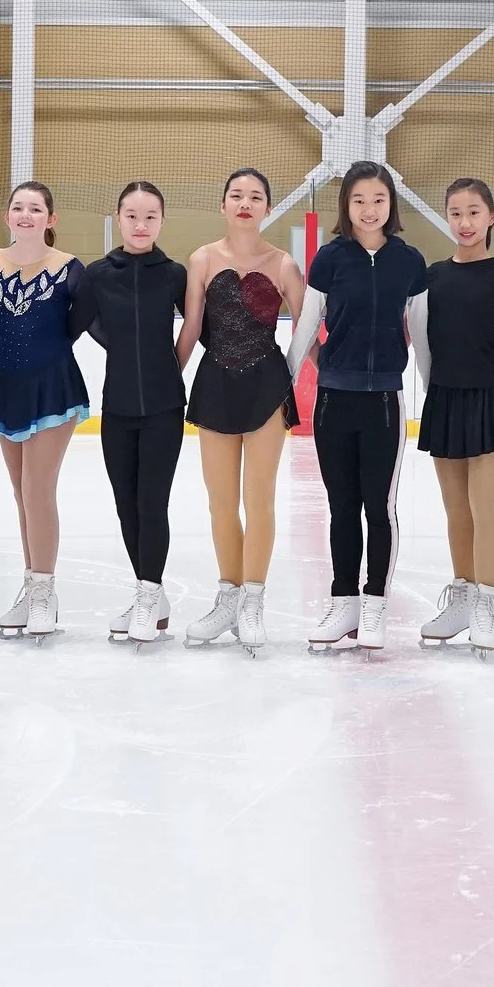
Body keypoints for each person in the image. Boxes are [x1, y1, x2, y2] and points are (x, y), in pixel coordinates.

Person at [290, 160, 427, 651]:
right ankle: (343, 599)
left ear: (391, 206)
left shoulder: (409, 262)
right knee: (342, 506)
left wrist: (428, 394)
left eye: (378, 200)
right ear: (345, 206)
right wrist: (287, 384)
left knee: (379, 507)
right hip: (333, 401)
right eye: (358, 201)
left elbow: (423, 335)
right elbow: (306, 326)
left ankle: (374, 605)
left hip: (385, 403)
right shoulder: (329, 259)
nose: (369, 210)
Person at [179, 167, 306, 650]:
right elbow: (191, 329)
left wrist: (325, 372)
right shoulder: (203, 259)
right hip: (215, 385)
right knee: (219, 501)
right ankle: (227, 597)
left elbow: (307, 328)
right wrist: (170, 378)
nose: (245, 203)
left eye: (256, 196)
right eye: (236, 195)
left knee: (259, 498)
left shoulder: (283, 264)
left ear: (269, 208)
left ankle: (253, 600)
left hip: (266, 388)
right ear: (223, 204)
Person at [408, 178, 494, 652]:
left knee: (485, 508)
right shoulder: (431, 277)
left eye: (474, 212)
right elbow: (419, 338)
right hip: (445, 398)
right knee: (455, 510)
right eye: (456, 212)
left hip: (489, 401)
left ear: (491, 218)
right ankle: (461, 595)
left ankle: (485, 603)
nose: (465, 222)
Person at [0, 180, 89, 640]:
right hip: (7, 386)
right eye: (17, 207)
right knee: (21, 493)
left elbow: (81, 323)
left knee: (38, 490)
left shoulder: (69, 268)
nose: (25, 214)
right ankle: (31, 581)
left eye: (35, 209)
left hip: (54, 387)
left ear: (50, 220)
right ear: (7, 216)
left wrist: (49, 356)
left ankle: (45, 591)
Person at [72, 181, 188, 643]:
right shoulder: (98, 274)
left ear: (161, 220)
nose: (141, 225)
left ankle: (146, 593)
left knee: (151, 502)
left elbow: (199, 324)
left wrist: (170, 365)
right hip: (116, 407)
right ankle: (152, 597)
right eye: (132, 215)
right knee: (126, 505)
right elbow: (72, 327)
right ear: (118, 218)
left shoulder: (176, 273)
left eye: (150, 216)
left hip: (164, 406)